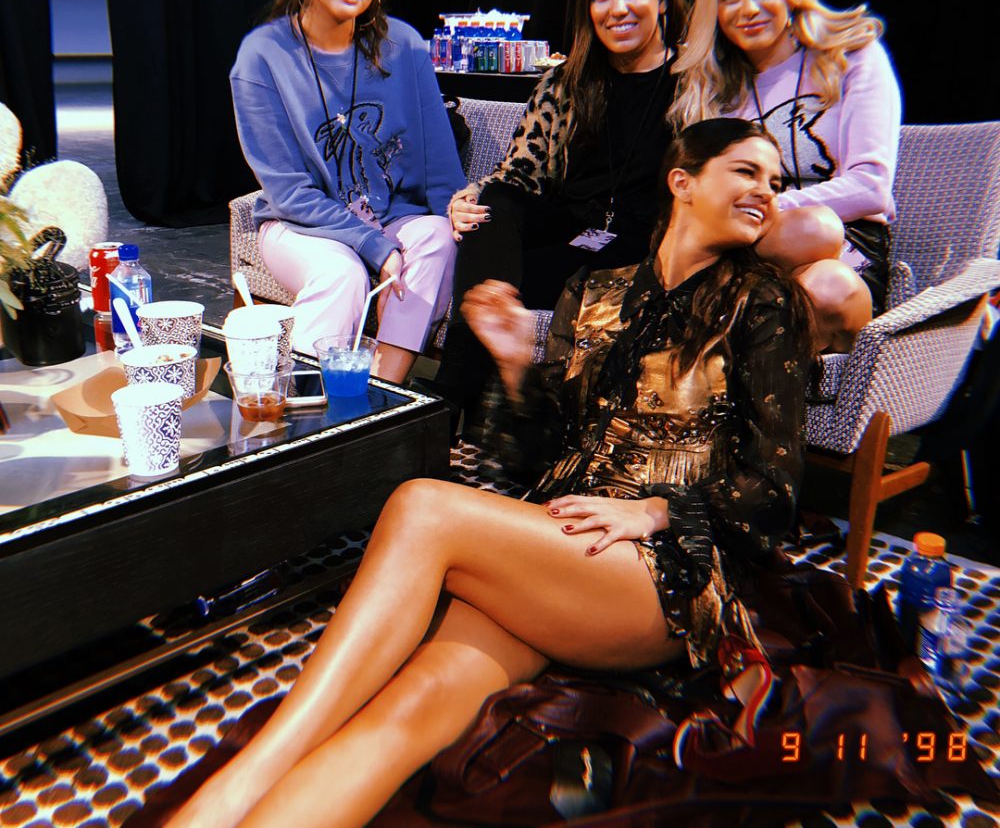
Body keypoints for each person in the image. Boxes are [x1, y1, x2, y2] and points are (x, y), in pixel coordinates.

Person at [164, 119, 813, 828]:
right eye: (747, 171)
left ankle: (252, 772)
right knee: (407, 711)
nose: (767, 191)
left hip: (666, 572)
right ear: (682, 180)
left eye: (775, 181)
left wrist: (653, 510)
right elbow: (540, 456)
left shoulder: (763, 302)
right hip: (558, 551)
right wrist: (512, 368)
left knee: (423, 507)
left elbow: (775, 488)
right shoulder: (594, 290)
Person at [427, 0, 688, 429]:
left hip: (644, 249)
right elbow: (517, 174)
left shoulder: (692, 86)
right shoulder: (565, 81)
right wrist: (470, 198)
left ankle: (453, 401)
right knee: (496, 201)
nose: (617, 9)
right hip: (572, 235)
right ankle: (469, 400)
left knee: (511, 274)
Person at [230, 0, 465, 382]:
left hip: (392, 219)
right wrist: (373, 247)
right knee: (343, 274)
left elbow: (442, 170)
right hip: (300, 226)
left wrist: (459, 225)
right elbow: (290, 192)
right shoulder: (263, 56)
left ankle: (380, 395)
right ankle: (299, 407)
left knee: (436, 238)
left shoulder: (405, 47)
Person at [670, 0, 902, 351]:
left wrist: (768, 207)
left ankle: (698, 307)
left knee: (818, 242)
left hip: (844, 242)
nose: (749, 8)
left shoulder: (851, 57)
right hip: (742, 244)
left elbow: (871, 187)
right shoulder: (713, 87)